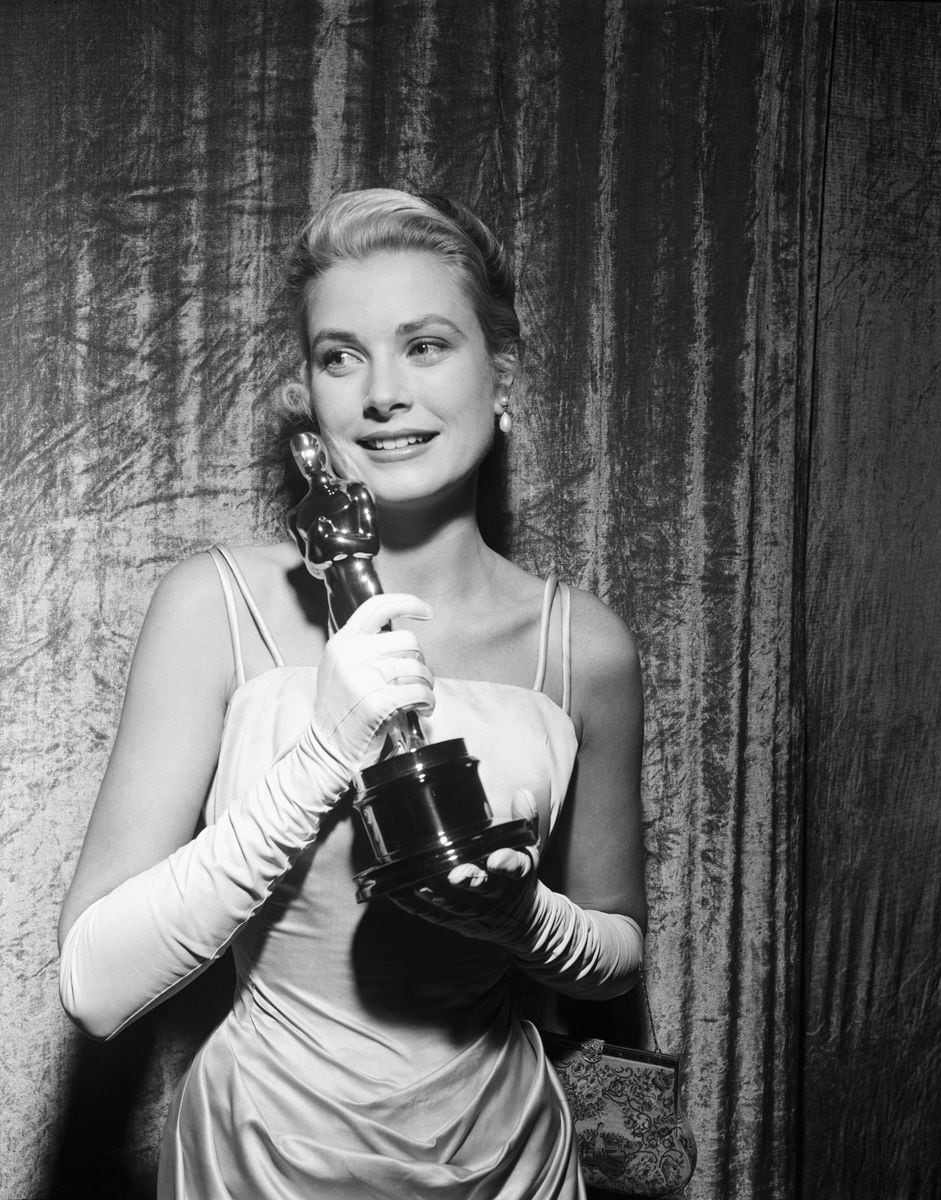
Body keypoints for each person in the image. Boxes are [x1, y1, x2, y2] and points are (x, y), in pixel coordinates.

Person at [58, 189, 646, 1199]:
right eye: (341, 355)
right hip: (259, 1162)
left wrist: (521, 922)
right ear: (310, 399)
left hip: (510, 1163)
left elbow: (619, 954)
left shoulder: (580, 646)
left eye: (424, 345)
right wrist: (323, 753)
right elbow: (94, 987)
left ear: (498, 379)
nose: (383, 392)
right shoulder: (216, 606)